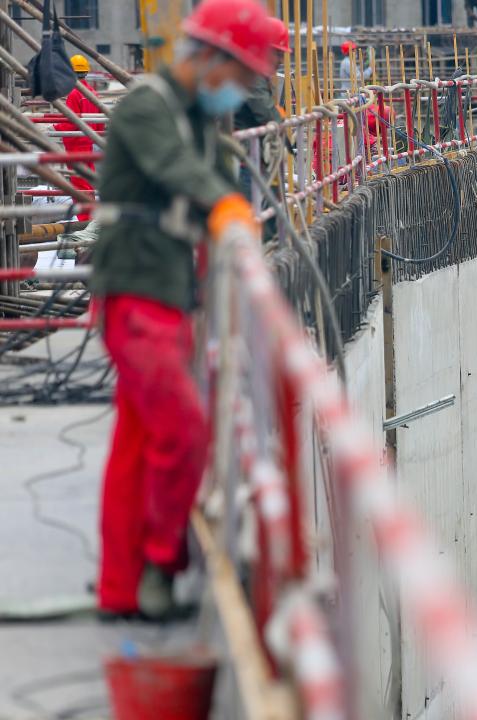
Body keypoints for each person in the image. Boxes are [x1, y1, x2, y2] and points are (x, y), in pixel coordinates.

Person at [90, 0, 273, 621]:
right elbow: (180, 173)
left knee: (139, 442)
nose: (241, 92)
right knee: (181, 429)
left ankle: (122, 588)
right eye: (241, 77)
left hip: (168, 293)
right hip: (137, 292)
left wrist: (228, 205)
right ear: (211, 58)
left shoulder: (197, 119)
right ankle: (159, 566)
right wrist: (224, 207)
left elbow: (213, 173)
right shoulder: (148, 106)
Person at [55, 55, 104, 221]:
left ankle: (85, 221)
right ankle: (90, 218)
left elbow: (70, 123)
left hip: (75, 147)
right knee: (88, 185)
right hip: (88, 147)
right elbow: (99, 127)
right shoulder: (92, 93)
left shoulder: (74, 94)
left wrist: (53, 128)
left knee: (80, 187)